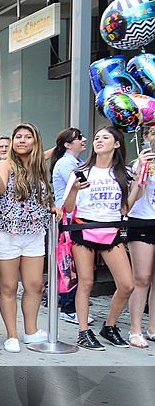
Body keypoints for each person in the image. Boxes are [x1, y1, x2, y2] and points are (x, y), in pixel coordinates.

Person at [0, 123, 54, 353]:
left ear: (35, 141)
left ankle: (30, 331)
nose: (22, 140)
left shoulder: (39, 166)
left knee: (35, 285)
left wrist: (53, 206)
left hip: (34, 232)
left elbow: (42, 195)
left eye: (27, 137)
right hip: (6, 232)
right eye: (18, 137)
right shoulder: (5, 164)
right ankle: (12, 335)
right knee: (9, 286)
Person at [62, 126, 135, 351]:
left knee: (126, 284)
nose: (99, 141)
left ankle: (110, 326)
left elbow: (125, 208)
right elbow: (68, 207)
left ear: (117, 144)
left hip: (112, 230)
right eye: (96, 138)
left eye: (105, 137)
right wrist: (74, 188)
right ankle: (83, 331)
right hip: (84, 228)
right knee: (86, 283)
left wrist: (138, 189)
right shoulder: (81, 170)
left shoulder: (125, 172)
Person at [49, 127, 90, 324]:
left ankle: (69, 305)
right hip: (66, 219)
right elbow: (83, 186)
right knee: (67, 263)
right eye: (79, 138)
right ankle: (67, 307)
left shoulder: (78, 162)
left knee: (73, 262)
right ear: (67, 144)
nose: (84, 140)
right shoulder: (66, 164)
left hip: (77, 219)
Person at [126, 128, 155, 347]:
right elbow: (133, 198)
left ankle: (153, 328)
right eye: (153, 133)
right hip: (143, 221)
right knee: (142, 277)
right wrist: (142, 169)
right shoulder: (139, 163)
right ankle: (135, 329)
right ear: (145, 137)